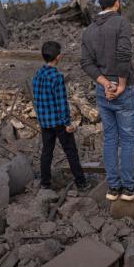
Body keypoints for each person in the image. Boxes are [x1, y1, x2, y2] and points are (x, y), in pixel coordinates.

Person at [81, 0, 134, 202]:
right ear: (117, 3)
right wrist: (121, 83)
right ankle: (127, 189)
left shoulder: (88, 30)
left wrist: (105, 83)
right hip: (123, 88)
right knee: (126, 140)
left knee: (109, 139)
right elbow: (124, 53)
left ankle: (112, 188)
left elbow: (86, 63)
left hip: (103, 89)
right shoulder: (121, 22)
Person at [33, 41, 88, 191]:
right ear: (58, 57)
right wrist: (67, 123)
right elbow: (61, 103)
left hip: (45, 122)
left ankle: (45, 183)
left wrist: (41, 118)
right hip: (59, 122)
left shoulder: (38, 75)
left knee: (47, 152)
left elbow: (37, 100)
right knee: (71, 152)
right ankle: (81, 183)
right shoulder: (56, 77)